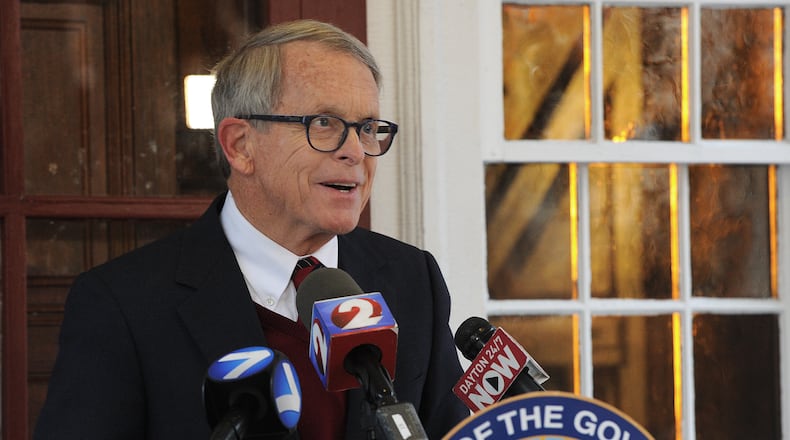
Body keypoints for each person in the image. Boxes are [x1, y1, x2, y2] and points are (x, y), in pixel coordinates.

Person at [34, 19, 471, 439]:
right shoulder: (123, 305)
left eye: (369, 128)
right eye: (324, 123)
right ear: (241, 146)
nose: (356, 152)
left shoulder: (413, 278)